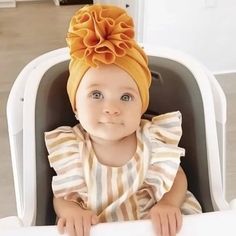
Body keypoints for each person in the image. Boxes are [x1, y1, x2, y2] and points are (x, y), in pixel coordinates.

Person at [45, 4, 202, 236]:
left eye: (126, 97)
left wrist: (168, 204)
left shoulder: (152, 138)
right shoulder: (72, 148)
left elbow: (176, 176)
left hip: (153, 224)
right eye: (96, 95)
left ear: (141, 108)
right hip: (100, 227)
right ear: (75, 107)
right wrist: (71, 212)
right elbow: (62, 196)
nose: (111, 108)